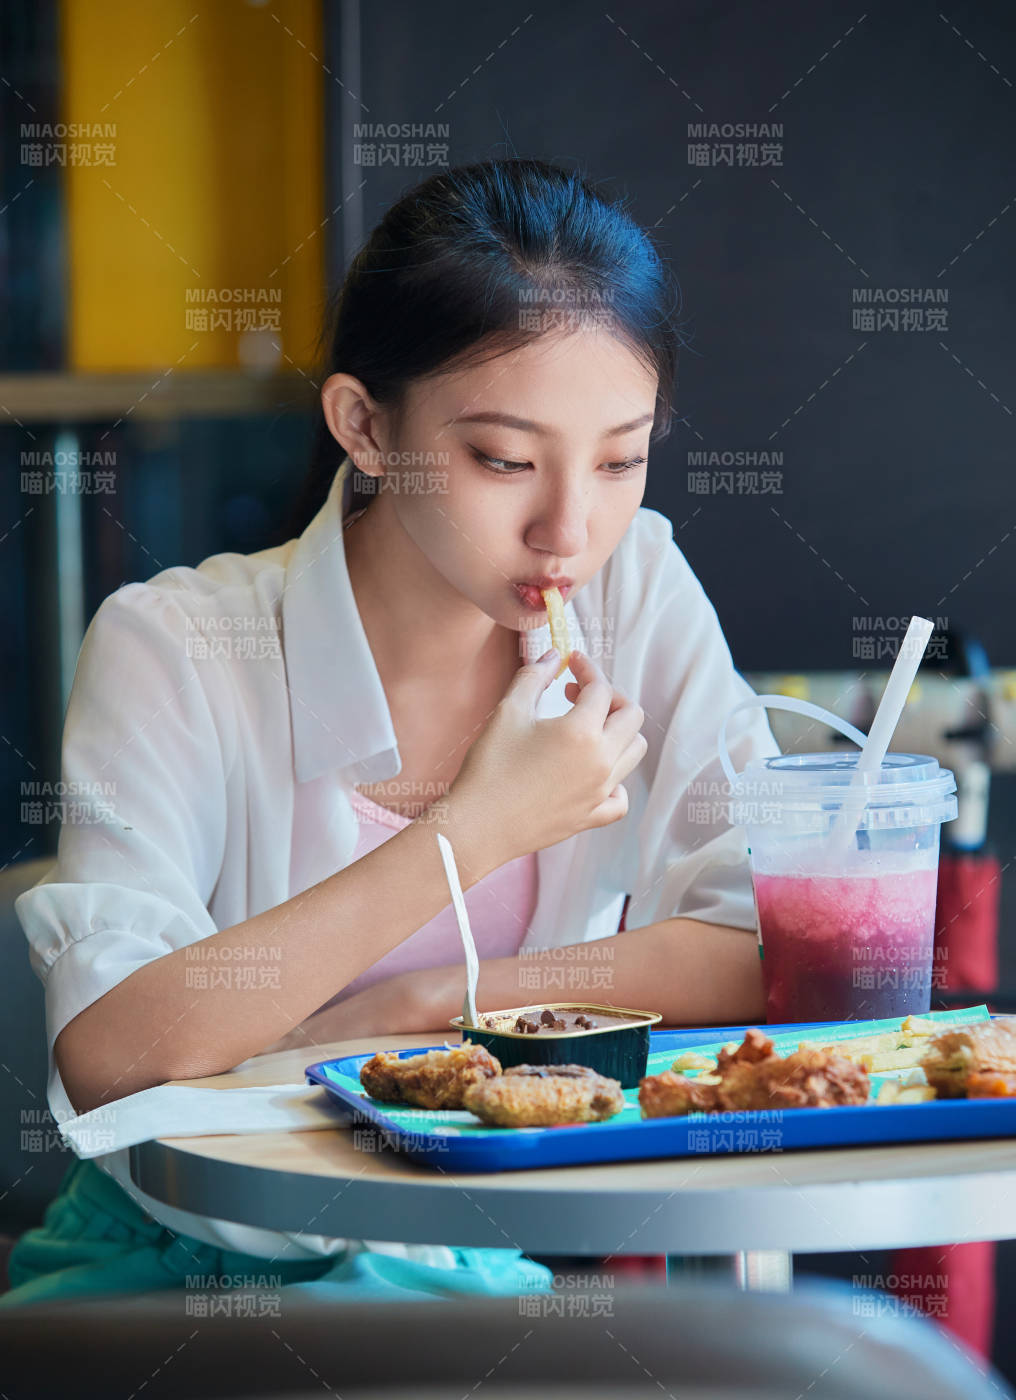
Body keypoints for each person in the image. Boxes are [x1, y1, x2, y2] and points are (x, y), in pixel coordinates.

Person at [7, 158, 777, 1306]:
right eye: (503, 460)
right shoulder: (175, 643)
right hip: (178, 1272)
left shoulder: (639, 589)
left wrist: (441, 1002)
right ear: (364, 426)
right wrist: (472, 833)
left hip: (459, 1267)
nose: (569, 527)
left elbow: (765, 950)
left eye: (620, 459)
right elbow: (114, 1048)